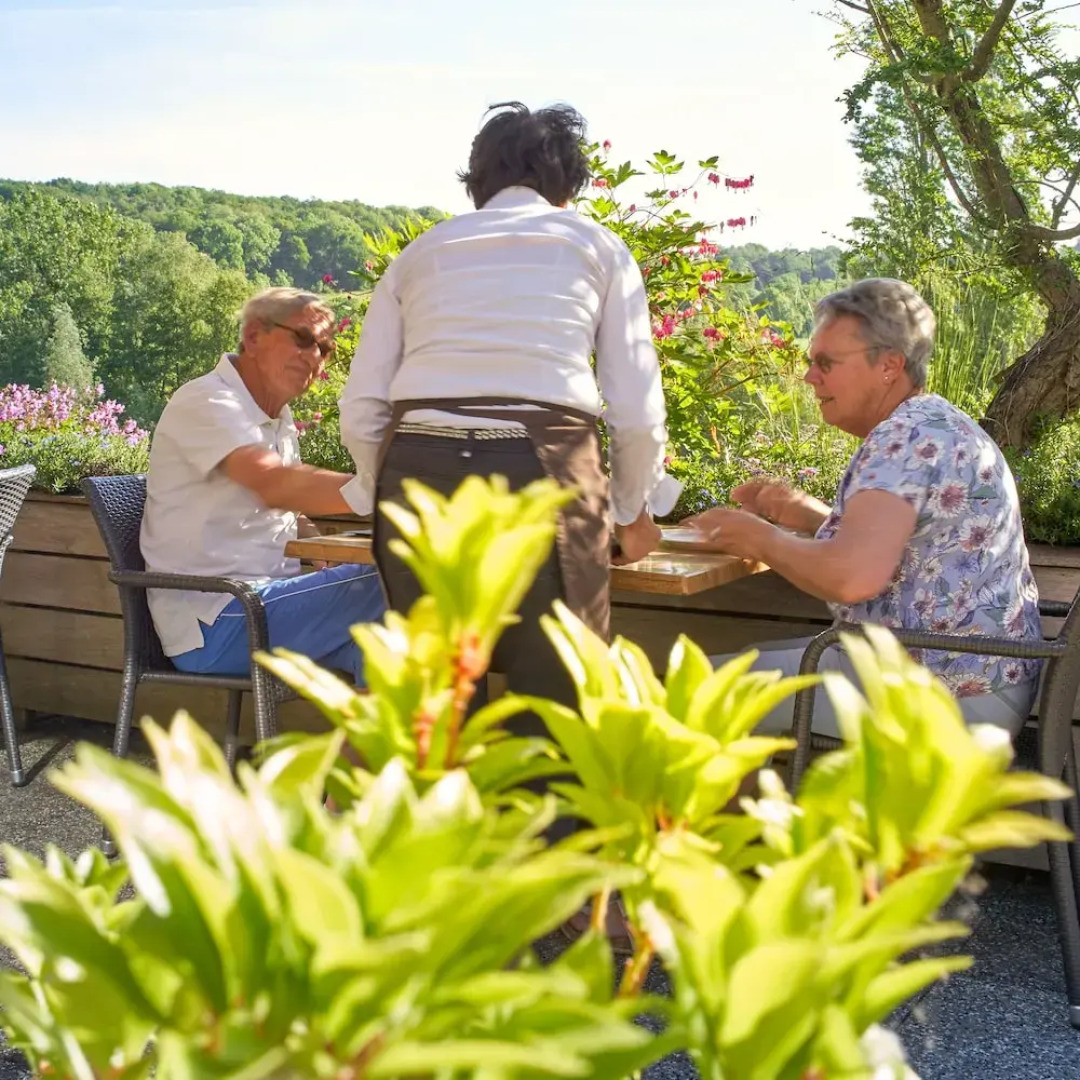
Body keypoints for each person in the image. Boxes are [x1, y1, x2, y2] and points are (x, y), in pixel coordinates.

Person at [338, 101, 675, 711]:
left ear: (477, 181)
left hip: (417, 472)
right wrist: (629, 511)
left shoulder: (420, 254)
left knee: (429, 707)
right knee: (557, 705)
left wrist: (375, 490)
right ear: (568, 186)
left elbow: (362, 408)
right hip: (543, 468)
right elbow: (637, 414)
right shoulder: (597, 246)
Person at [691, 278, 1042, 738]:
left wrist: (758, 537)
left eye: (826, 363)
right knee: (748, 662)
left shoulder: (904, 439)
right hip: (980, 686)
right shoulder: (932, 422)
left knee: (701, 698)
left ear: (889, 366)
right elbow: (910, 548)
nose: (809, 376)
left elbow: (852, 577)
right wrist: (807, 515)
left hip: (942, 698)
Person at [141, 287, 385, 686]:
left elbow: (278, 504)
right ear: (253, 337)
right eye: (303, 339)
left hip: (266, 605)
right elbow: (272, 484)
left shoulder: (277, 416)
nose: (315, 357)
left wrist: (320, 546)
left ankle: (379, 748)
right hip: (219, 622)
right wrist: (388, 489)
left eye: (326, 349)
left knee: (395, 648)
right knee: (397, 574)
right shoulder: (208, 401)